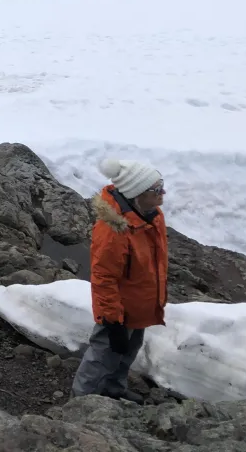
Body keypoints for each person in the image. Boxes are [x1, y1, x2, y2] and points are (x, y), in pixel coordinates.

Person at [72, 158, 168, 403]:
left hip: (138, 304)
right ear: (137, 194)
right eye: (156, 189)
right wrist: (112, 321)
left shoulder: (151, 216)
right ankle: (80, 401)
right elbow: (104, 277)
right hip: (118, 310)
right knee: (103, 353)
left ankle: (113, 389)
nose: (163, 193)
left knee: (127, 352)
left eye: (161, 185)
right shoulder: (113, 230)